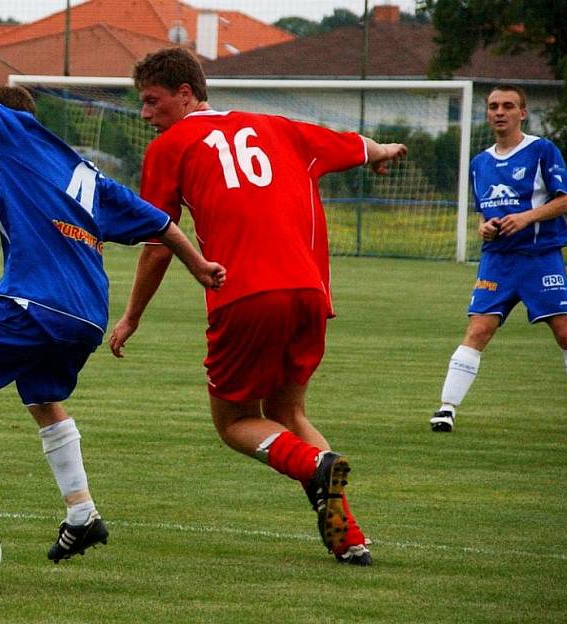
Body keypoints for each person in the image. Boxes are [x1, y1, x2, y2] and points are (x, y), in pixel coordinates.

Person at [0, 24, 225, 563]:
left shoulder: (6, 132)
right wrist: (199, 266)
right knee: (41, 398)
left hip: (37, 303)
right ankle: (82, 514)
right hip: (87, 317)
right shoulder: (84, 172)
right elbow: (162, 224)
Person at [109, 47, 407, 566]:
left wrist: (132, 315)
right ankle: (350, 536)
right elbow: (355, 146)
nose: (145, 113)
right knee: (288, 412)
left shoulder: (170, 148)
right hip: (311, 295)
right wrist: (382, 151)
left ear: (186, 95)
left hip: (245, 294)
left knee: (234, 422)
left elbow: (158, 242)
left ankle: (316, 464)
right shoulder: (279, 126)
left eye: (152, 101)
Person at [430, 85, 567, 433]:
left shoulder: (542, 150)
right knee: (479, 329)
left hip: (540, 258)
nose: (500, 111)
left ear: (522, 113)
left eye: (508, 106)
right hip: (498, 259)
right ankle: (446, 409)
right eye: (493, 106)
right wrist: (485, 228)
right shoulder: (480, 163)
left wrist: (527, 217)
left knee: (566, 332)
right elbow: (485, 212)